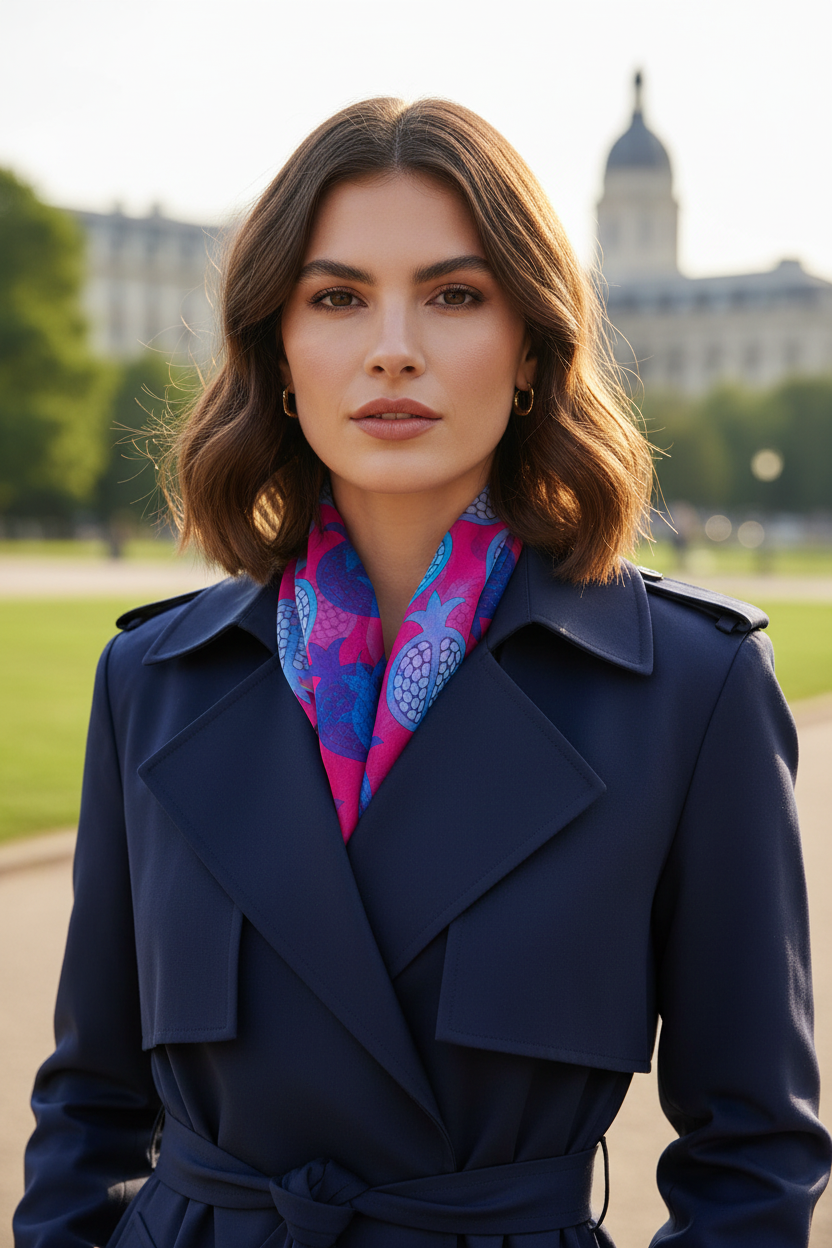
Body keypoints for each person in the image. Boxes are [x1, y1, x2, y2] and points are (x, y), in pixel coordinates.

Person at [14, 97, 830, 1248]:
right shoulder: (151, 678)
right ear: (279, 355)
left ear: (534, 351)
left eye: (453, 295)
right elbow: (89, 1106)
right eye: (337, 297)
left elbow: (752, 1155)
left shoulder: (688, 692)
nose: (392, 345)